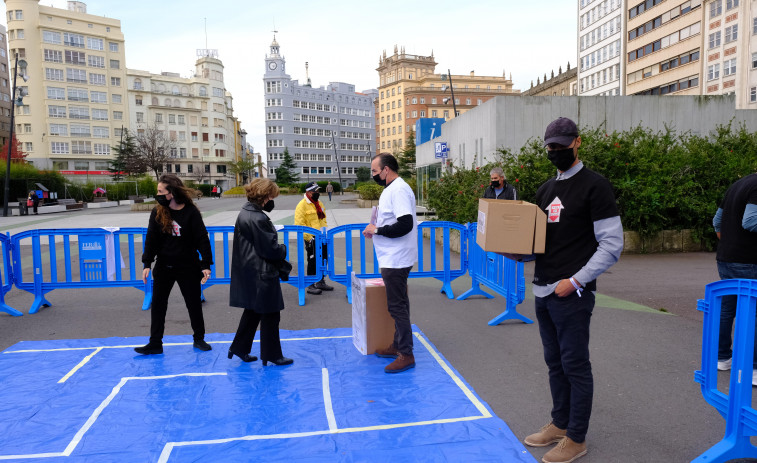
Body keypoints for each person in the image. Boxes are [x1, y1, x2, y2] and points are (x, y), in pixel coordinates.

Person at [510, 117, 623, 463]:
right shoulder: (545, 190)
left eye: (561, 145)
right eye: (550, 146)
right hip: (543, 291)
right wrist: (518, 251)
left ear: (577, 142)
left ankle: (576, 438)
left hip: (572, 294)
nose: (555, 151)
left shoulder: (595, 187)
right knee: (554, 363)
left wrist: (575, 280)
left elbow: (612, 244)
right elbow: (541, 244)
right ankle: (560, 423)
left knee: (575, 365)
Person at [136, 173, 214, 355]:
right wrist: (147, 263)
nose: (158, 194)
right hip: (164, 267)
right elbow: (151, 239)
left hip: (188, 266)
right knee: (158, 305)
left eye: (160, 191)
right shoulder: (157, 212)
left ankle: (199, 339)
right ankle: (155, 343)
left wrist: (206, 265)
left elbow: (202, 239)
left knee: (193, 304)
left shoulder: (191, 212)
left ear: (171, 192)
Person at [362, 153, 418, 373]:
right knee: (399, 304)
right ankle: (399, 345)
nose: (374, 175)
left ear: (386, 170)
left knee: (397, 306)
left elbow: (405, 224)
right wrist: (375, 230)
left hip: (397, 258)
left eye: (375, 171)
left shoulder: (399, 190)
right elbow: (390, 221)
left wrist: (378, 230)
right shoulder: (391, 189)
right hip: (391, 255)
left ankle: (406, 353)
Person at [228, 178, 293, 366]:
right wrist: (282, 248)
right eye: (272, 196)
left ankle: (239, 348)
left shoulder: (245, 213)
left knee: (253, 312)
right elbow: (270, 250)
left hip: (250, 270)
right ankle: (272, 355)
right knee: (271, 315)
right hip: (262, 272)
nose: (273, 199)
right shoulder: (259, 218)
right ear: (265, 196)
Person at [712, 171, 757, 384]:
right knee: (754, 313)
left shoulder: (739, 184)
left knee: (727, 308)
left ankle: (722, 358)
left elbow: (717, 221)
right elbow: (750, 221)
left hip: (726, 257)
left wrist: (730, 242)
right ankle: (754, 369)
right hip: (749, 261)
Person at [294, 182, 334, 295]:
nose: (318, 193)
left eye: (318, 191)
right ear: (309, 192)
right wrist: (309, 238)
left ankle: (320, 281)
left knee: (323, 258)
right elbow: (299, 224)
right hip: (311, 238)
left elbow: (323, 220)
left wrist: (325, 233)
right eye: (316, 191)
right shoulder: (302, 205)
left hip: (322, 237)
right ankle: (310, 285)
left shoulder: (319, 203)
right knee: (312, 261)